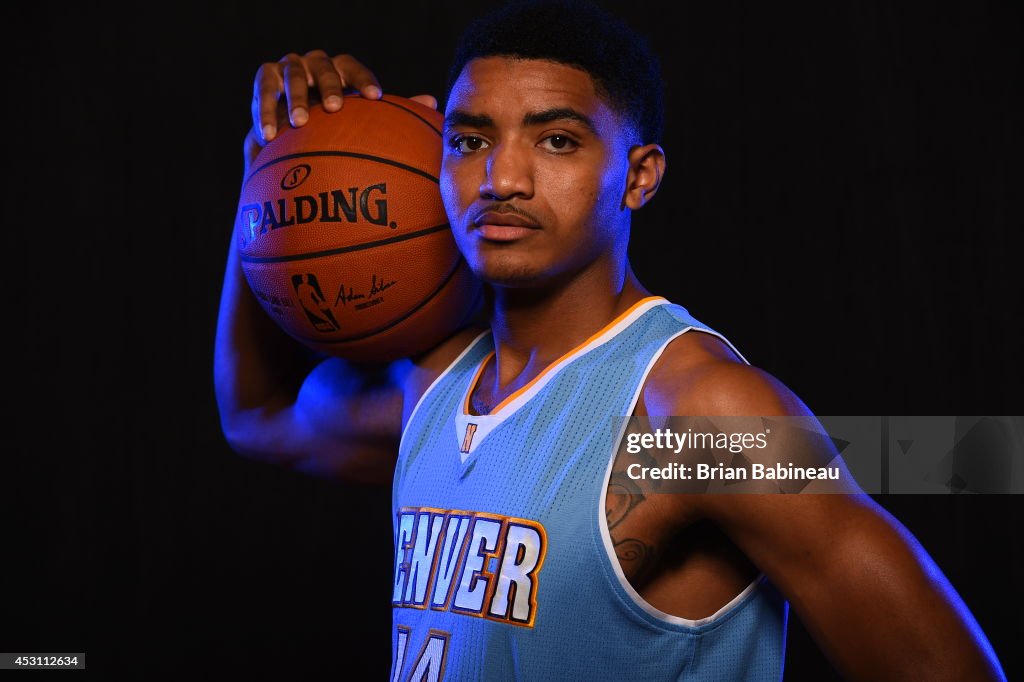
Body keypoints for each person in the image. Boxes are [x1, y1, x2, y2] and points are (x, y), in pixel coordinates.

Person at [215, 1, 1006, 679]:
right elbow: (255, 413)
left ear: (640, 176)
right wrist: (270, 180)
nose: (501, 178)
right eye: (469, 140)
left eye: (556, 140)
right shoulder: (434, 394)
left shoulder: (694, 416)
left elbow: (942, 667)